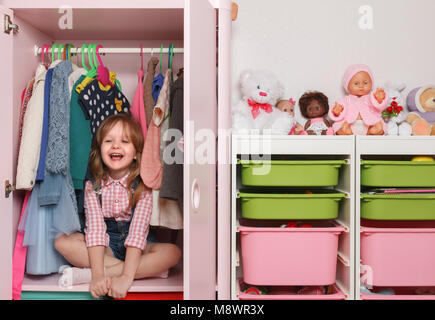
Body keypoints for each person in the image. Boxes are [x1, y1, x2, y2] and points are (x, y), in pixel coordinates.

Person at [54, 114, 181, 299]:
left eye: (124, 141)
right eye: (108, 141)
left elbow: (137, 233)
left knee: (173, 252)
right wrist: (97, 276)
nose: (115, 145)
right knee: (62, 242)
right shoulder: (93, 185)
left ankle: (100, 273)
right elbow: (96, 232)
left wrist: (126, 278)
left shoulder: (143, 185)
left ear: (137, 153)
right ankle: (144, 270)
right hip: (107, 247)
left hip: (139, 247)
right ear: (100, 149)